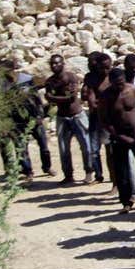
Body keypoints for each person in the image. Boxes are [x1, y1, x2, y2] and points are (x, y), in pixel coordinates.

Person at [43, 54, 94, 184]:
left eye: (57, 63)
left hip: (77, 115)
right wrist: (56, 99)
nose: (54, 66)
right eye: (52, 63)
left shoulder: (71, 77)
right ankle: (68, 175)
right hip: (61, 116)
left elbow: (71, 98)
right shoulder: (50, 81)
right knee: (64, 148)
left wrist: (54, 98)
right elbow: (48, 98)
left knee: (86, 146)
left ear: (62, 64)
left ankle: (89, 172)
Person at [99, 66, 135, 212]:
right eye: (116, 83)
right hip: (119, 136)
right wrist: (117, 135)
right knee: (121, 170)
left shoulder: (134, 91)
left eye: (122, 82)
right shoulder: (106, 97)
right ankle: (126, 201)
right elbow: (104, 119)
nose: (120, 85)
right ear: (110, 82)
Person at [81, 52, 111, 182]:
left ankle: (113, 177)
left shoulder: (112, 77)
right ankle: (99, 175)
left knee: (110, 149)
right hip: (95, 117)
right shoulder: (90, 78)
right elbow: (89, 98)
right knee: (94, 149)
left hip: (109, 117)